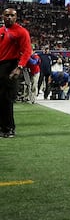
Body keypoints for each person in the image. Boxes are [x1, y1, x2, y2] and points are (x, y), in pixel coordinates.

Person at [0, 8, 32, 138]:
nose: (9, 17)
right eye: (6, 15)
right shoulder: (1, 31)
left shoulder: (21, 32)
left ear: (16, 17)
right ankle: (2, 127)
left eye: (12, 15)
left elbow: (27, 51)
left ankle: (9, 128)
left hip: (10, 66)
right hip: (1, 66)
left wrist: (19, 67)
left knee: (6, 99)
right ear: (2, 16)